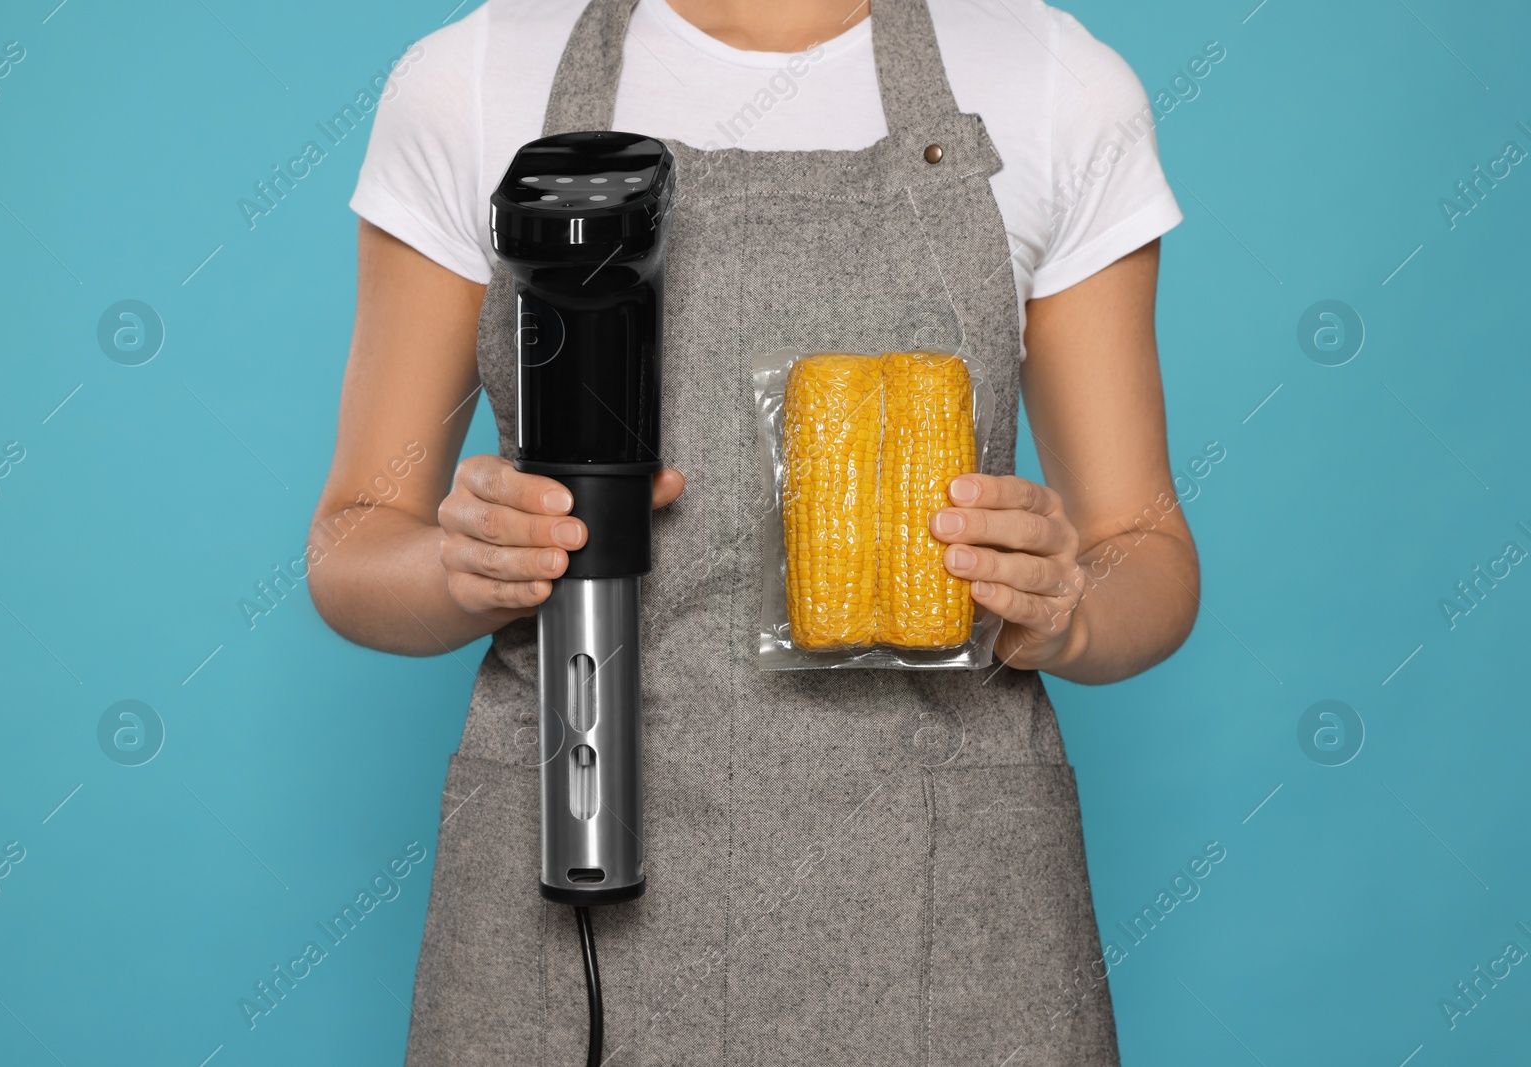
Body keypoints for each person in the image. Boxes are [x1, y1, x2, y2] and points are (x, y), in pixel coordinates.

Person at [308, 0, 1199, 1063]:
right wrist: (465, 568)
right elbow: (353, 541)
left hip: (945, 905)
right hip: (573, 863)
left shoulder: (1053, 83)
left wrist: (1069, 609)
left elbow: (1144, 551)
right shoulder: (473, 79)